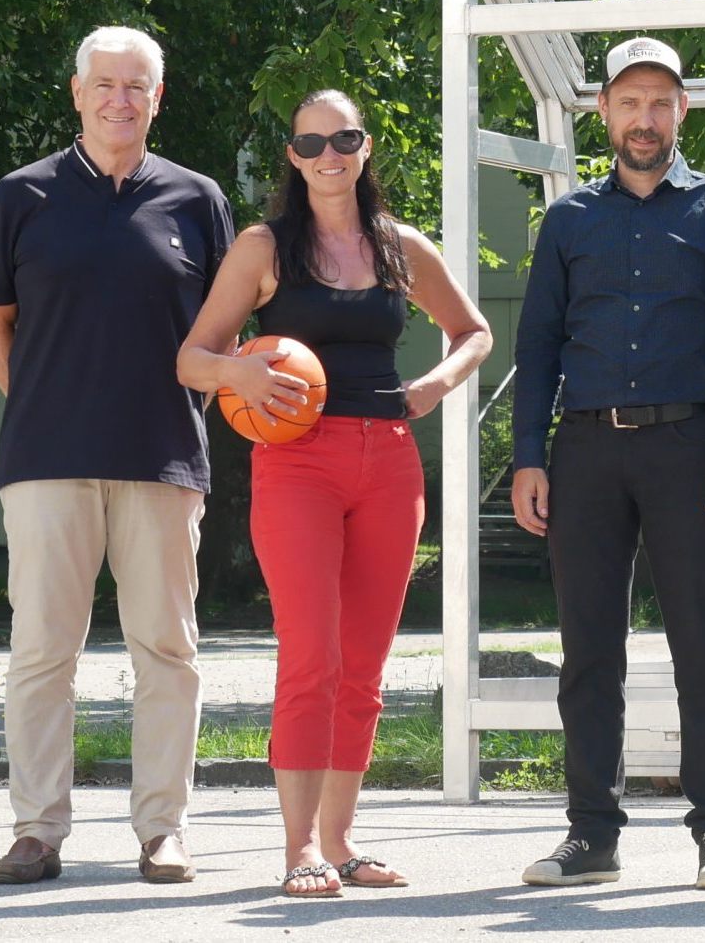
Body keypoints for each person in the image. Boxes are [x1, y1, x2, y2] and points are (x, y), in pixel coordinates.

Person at [178, 89, 491, 898]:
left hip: (388, 460)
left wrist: (433, 385)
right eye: (311, 141)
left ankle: (342, 841)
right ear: (292, 154)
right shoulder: (263, 247)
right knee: (311, 658)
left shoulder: (398, 244)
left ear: (365, 146)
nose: (329, 154)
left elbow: (474, 330)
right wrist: (239, 372)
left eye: (343, 139)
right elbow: (191, 358)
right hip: (297, 464)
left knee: (365, 667)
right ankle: (297, 853)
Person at [0, 25, 235, 887]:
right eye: (106, 84)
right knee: (43, 648)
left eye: (138, 86)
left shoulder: (196, 199)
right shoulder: (22, 195)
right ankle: (37, 830)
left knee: (167, 648)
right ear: (77, 93)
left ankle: (164, 829)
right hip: (47, 459)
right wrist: (45, 400)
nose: (121, 99)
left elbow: (223, 331)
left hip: (163, 456)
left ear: (159, 98)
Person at [511, 37, 705, 892]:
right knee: (589, 649)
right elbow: (537, 344)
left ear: (681, 113)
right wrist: (526, 459)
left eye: (660, 102)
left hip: (687, 451)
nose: (645, 118)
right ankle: (591, 834)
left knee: (704, 647)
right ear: (605, 114)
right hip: (583, 451)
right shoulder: (569, 219)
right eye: (630, 102)